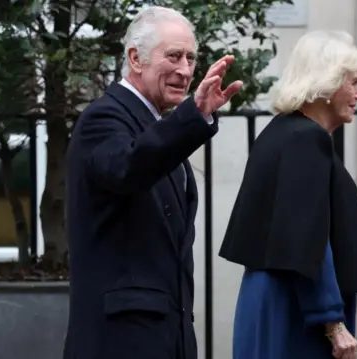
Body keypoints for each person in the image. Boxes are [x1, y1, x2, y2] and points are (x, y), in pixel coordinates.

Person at [63, 6, 242, 359]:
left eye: (191, 58)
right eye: (174, 56)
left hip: (162, 336)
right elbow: (129, 167)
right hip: (122, 340)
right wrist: (194, 115)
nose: (185, 70)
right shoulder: (104, 116)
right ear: (136, 58)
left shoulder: (150, 122)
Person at [218, 30, 357, 359]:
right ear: (328, 83)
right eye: (353, 82)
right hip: (295, 312)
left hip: (277, 301)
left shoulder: (282, 132)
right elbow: (306, 236)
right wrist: (332, 322)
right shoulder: (306, 139)